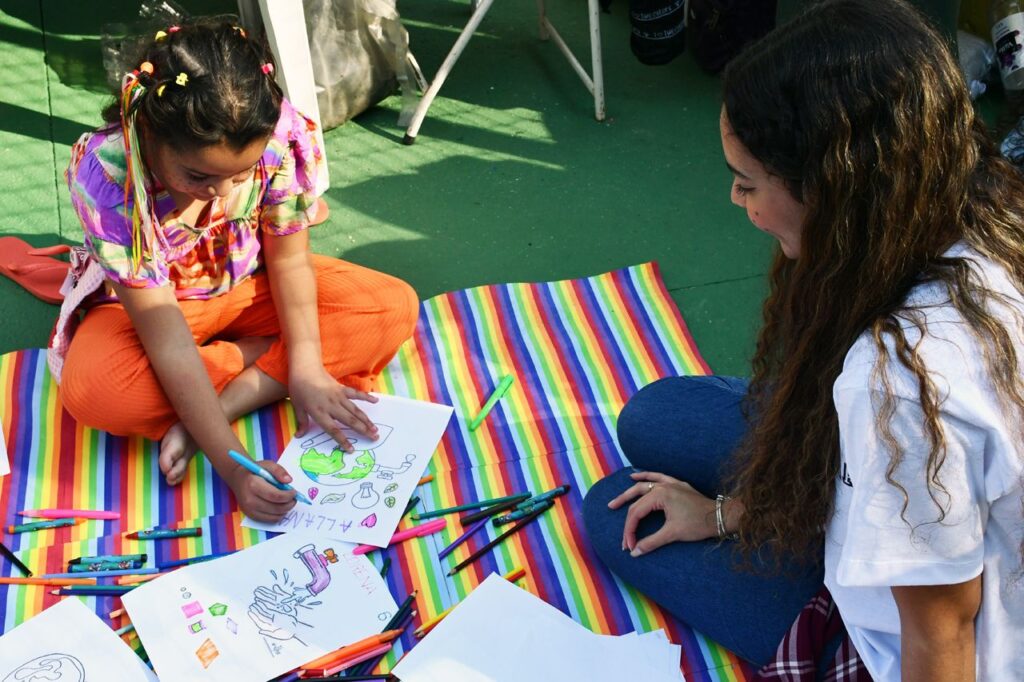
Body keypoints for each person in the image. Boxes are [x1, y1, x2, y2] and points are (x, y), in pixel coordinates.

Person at [582, 1, 1024, 680]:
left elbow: (943, 630)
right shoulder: (977, 209)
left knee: (612, 512)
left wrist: (727, 516)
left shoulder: (900, 384)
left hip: (933, 631)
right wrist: (729, 513)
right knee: (656, 416)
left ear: (837, 189)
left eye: (747, 182)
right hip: (933, 512)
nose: (736, 199)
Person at [54, 19, 419, 523]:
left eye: (242, 174)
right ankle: (256, 368)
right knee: (97, 393)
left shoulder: (280, 132)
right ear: (149, 135)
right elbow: (166, 338)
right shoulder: (110, 175)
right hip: (156, 313)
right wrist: (233, 465)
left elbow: (289, 258)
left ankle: (213, 407)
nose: (222, 193)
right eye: (198, 175)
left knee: (391, 305)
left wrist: (308, 368)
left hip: (251, 285)